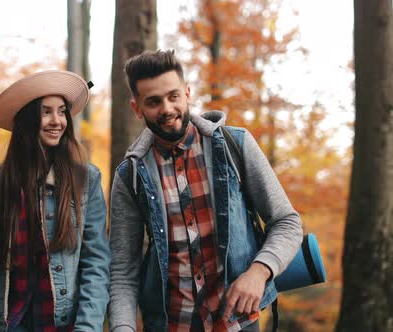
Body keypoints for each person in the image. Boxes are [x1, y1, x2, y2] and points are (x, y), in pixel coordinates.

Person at [108, 50, 303, 332]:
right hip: (172, 324)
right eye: (153, 102)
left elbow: (287, 222)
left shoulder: (235, 145)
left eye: (173, 96)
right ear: (137, 108)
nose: (167, 109)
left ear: (187, 93)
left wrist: (259, 273)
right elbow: (123, 271)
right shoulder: (130, 176)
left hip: (238, 323)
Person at [0, 70, 110, 332]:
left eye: (61, 111)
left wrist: (87, 327)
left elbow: (96, 265)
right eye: (46, 112)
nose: (57, 121)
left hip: (64, 325)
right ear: (27, 119)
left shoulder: (86, 180)